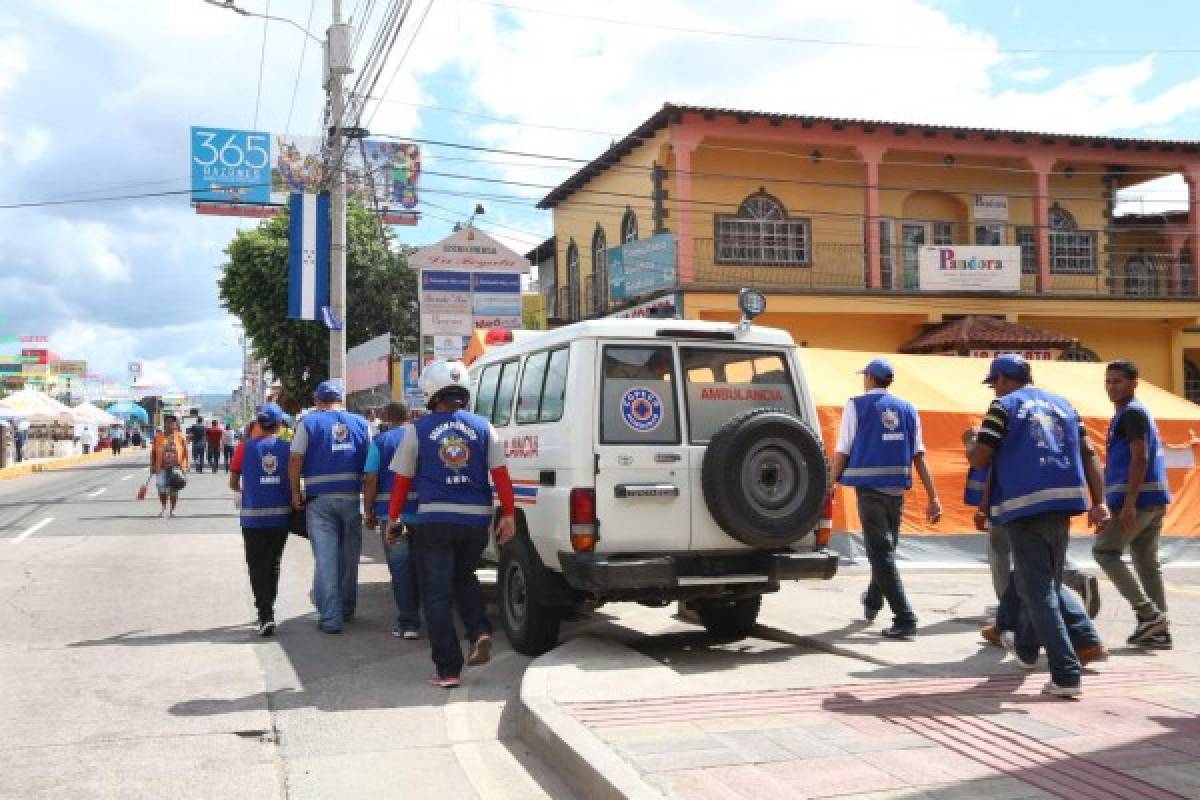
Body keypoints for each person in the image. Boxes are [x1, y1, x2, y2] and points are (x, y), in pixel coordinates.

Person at [967, 354, 1110, 698]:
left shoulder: (1002, 407)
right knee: (1040, 580)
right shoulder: (1064, 405)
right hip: (1063, 504)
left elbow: (981, 458)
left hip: (1024, 505)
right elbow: (1090, 453)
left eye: (995, 382)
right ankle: (1027, 649)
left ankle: (1065, 671)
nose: (995, 388)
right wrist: (1100, 501)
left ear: (1002, 379)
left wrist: (969, 441)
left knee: (1040, 591)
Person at [386, 360, 517, 689]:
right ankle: (480, 631)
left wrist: (393, 518)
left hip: (435, 520)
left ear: (431, 393)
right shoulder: (485, 427)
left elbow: (402, 480)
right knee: (464, 576)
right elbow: (501, 475)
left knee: (437, 594)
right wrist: (510, 515)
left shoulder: (418, 429)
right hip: (475, 520)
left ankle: (448, 670)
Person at [831, 358, 942, 640]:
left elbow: (843, 448)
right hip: (897, 489)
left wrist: (829, 483)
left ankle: (905, 618)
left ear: (868, 377)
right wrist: (933, 496)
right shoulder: (908, 408)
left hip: (869, 490)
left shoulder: (856, 405)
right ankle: (873, 599)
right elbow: (919, 454)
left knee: (881, 552)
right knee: (886, 549)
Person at [1096, 360, 1173, 649]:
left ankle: (1148, 614)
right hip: (1154, 499)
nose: (1112, 387)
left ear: (1133, 384)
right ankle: (1158, 630)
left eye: (1118, 381)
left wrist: (1128, 503)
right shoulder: (1136, 414)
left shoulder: (1132, 414)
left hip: (1137, 501)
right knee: (1145, 561)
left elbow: (1139, 457)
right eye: (1108, 381)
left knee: (1105, 551)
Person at [288, 380, 369, 634]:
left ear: (317, 400)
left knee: (326, 559)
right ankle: (346, 608)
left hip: (319, 501)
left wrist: (294, 492)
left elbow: (295, 458)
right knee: (349, 556)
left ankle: (331, 618)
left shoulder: (308, 423)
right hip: (351, 498)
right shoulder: (361, 424)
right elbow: (370, 465)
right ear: (341, 399)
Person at [230, 403, 292, 636]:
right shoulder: (288, 449)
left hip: (252, 520)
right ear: (278, 425)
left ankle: (265, 614)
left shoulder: (243, 448)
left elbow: (233, 481)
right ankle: (268, 609)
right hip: (280, 518)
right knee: (273, 564)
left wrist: (243, 495)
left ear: (258, 424)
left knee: (256, 567)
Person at [364, 401, 421, 639]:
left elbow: (371, 479)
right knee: (421, 567)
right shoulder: (420, 438)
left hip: (392, 517)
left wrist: (368, 511)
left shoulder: (379, 442)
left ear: (386, 417)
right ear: (408, 416)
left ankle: (408, 623)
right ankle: (429, 617)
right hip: (422, 514)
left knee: (400, 570)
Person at [150, 415, 189, 518]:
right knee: (161, 487)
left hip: (176, 467)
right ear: (164, 424)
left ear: (175, 425)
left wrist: (185, 466)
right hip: (161, 467)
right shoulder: (158, 437)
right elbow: (153, 452)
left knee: (174, 489)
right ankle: (163, 507)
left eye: (172, 422)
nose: (170, 424)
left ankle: (172, 510)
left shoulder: (180, 437)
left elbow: (185, 452)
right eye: (168, 422)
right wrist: (152, 466)